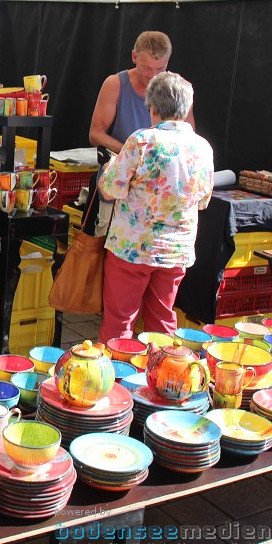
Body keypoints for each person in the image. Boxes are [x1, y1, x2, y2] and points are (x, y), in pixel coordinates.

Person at [96, 72, 213, 342]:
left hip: (133, 248)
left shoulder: (142, 141)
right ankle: (163, 379)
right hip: (176, 251)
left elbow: (110, 188)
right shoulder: (203, 148)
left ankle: (117, 380)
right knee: (162, 321)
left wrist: (107, 168)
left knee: (120, 323)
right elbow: (203, 199)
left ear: (153, 107)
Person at [88, 31, 190, 237]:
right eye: (146, 68)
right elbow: (95, 134)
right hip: (119, 190)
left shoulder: (177, 90)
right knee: (109, 247)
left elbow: (188, 137)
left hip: (161, 197)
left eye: (160, 69)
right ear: (134, 57)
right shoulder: (115, 84)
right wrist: (132, 153)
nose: (152, 75)